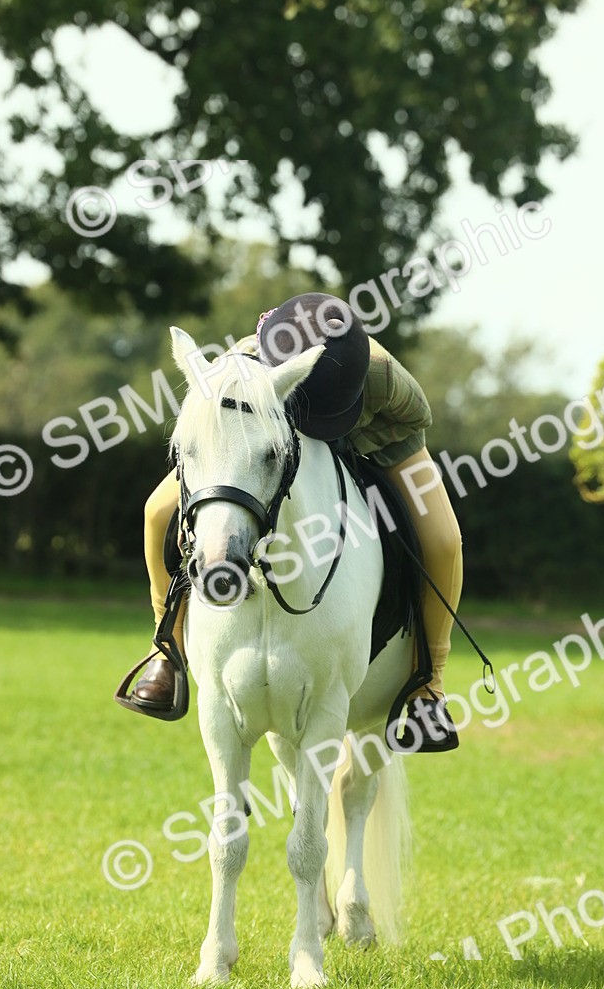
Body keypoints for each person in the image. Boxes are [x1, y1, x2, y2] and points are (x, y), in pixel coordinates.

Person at [127, 293, 463, 751]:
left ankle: (429, 685)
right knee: (155, 510)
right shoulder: (246, 359)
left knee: (445, 541)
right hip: (266, 427)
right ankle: (165, 649)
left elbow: (415, 421)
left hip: (378, 434)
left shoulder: (383, 378)